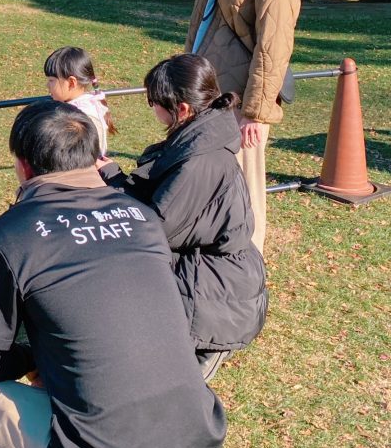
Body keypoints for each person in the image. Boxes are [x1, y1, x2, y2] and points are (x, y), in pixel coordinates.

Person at [0, 100, 227, 448]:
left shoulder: (10, 235)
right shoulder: (143, 217)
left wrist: (41, 358)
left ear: (23, 166)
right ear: (95, 157)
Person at [100, 55, 267, 381]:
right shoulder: (200, 137)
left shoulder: (200, 160)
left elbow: (152, 228)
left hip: (218, 291)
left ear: (183, 109)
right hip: (211, 268)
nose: (152, 110)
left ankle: (203, 353)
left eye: (155, 103)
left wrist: (111, 180)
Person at [186, 0, 300, 254]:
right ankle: (217, 254)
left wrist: (256, 109)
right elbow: (203, 23)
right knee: (212, 178)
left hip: (242, 98)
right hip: (211, 90)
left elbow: (275, 41)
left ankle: (246, 263)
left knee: (245, 184)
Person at [43, 46, 116, 158]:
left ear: (72, 82)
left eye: (51, 80)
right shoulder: (86, 105)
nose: (47, 85)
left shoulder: (79, 118)